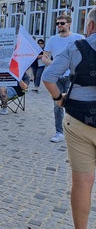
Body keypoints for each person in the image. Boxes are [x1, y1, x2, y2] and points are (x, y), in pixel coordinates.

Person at [42, 8, 96, 229]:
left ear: (91, 25)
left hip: (80, 120)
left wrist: (58, 98)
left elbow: (48, 76)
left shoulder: (77, 47)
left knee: (82, 182)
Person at [41, 13, 84, 143]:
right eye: (58, 23)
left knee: (73, 104)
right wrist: (57, 66)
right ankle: (59, 132)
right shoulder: (53, 40)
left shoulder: (79, 38)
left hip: (73, 77)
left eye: (62, 23)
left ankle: (73, 132)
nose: (59, 26)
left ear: (69, 24)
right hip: (56, 77)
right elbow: (44, 57)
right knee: (57, 104)